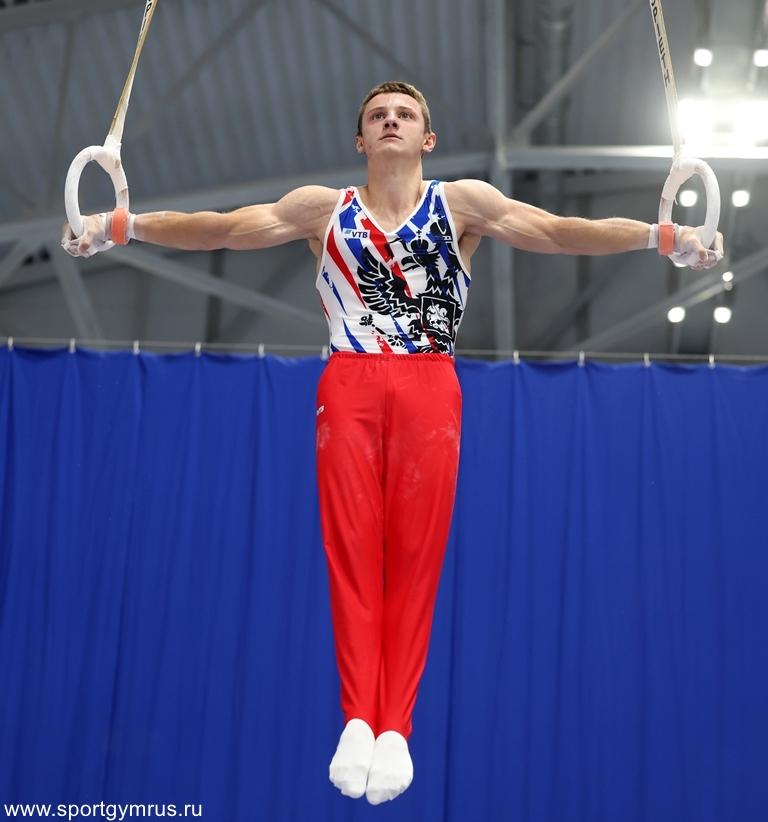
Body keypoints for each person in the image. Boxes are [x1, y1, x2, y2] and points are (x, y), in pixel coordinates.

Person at [61, 80, 725, 806]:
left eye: (404, 115)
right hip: (349, 383)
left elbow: (558, 230)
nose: (390, 121)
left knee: (415, 558)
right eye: (377, 115)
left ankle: (396, 728)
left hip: (429, 386)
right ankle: (357, 719)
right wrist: (119, 224)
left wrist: (664, 237)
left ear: (426, 139)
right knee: (351, 551)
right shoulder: (321, 210)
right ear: (360, 140)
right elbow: (220, 228)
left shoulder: (463, 204)